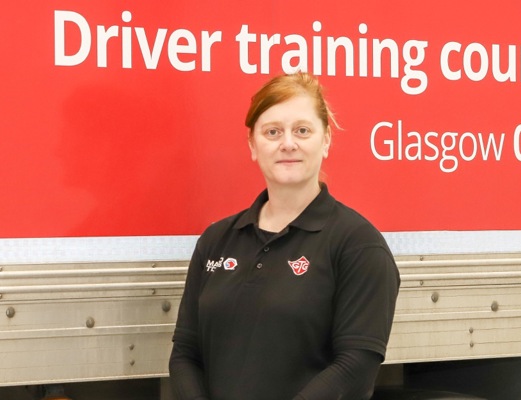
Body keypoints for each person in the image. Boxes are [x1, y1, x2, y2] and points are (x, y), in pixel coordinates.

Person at [169, 72, 400, 400]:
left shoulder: (359, 245)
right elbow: (185, 353)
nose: (287, 143)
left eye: (302, 130)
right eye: (272, 132)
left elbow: (356, 365)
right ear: (253, 145)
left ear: (326, 140)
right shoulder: (216, 240)